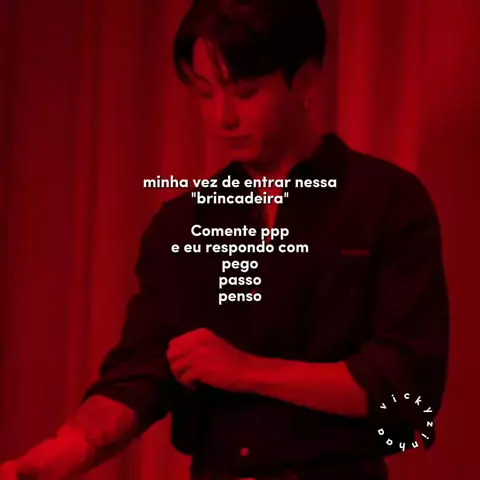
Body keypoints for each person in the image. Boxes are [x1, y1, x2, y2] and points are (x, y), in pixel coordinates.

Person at [0, 1, 449, 479]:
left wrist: (246, 371)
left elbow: (407, 385)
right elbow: (141, 369)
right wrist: (60, 453)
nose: (222, 117)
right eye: (205, 93)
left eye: (245, 92)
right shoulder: (183, 222)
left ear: (305, 80)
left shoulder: (387, 201)